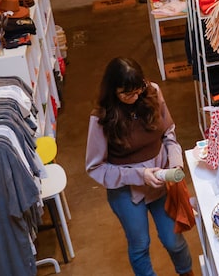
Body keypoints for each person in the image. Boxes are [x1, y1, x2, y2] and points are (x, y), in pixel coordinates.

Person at [86, 57, 194, 276]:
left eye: (138, 90)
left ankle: (187, 272)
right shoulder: (101, 118)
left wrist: (175, 164)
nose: (135, 97)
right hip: (126, 190)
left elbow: (169, 133)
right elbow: (95, 167)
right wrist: (139, 175)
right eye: (127, 94)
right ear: (113, 91)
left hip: (162, 180)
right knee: (140, 245)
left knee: (173, 240)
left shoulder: (152, 92)